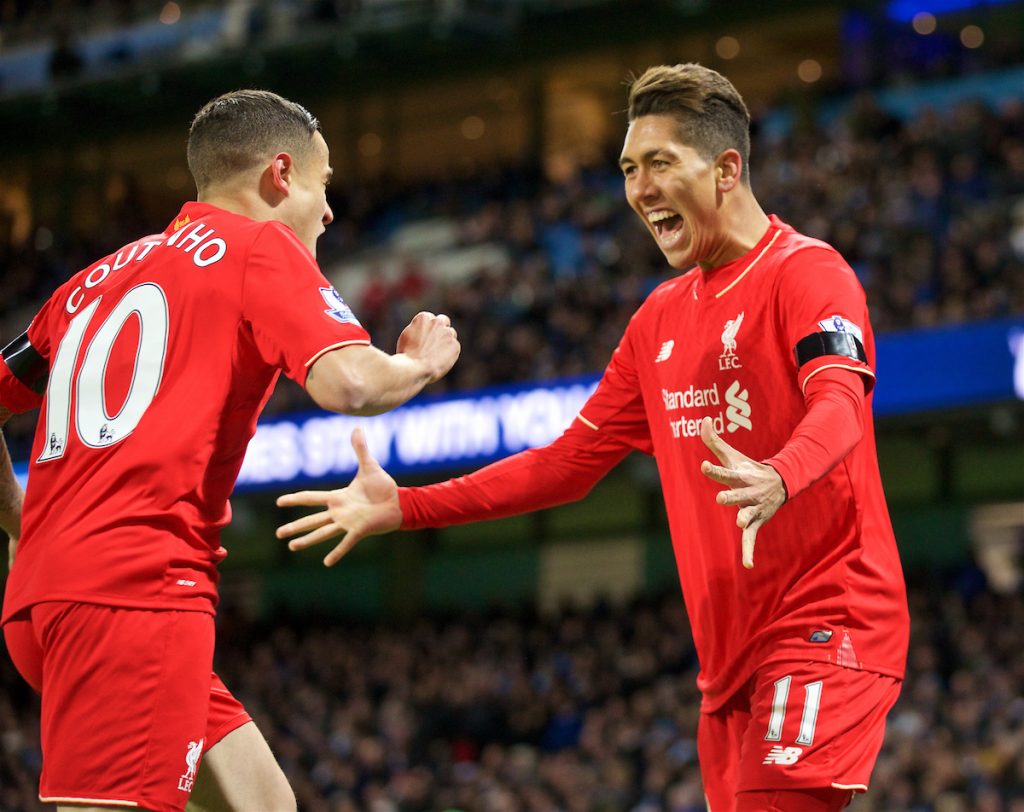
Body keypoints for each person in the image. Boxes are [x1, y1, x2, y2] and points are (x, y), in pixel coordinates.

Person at [276, 64, 910, 812]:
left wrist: (782, 472)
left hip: (828, 624)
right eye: (628, 170)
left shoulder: (808, 274)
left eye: (660, 164)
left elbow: (839, 401)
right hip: (730, 661)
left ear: (727, 169)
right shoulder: (658, 319)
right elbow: (564, 467)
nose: (639, 190)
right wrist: (407, 509)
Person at [0, 89, 460, 812]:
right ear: (282, 174)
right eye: (324, 184)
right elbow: (352, 384)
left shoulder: (94, 278)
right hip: (135, 598)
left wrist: (21, 525)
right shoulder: (258, 248)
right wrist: (424, 363)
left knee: (263, 803)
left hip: (48, 601)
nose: (330, 212)